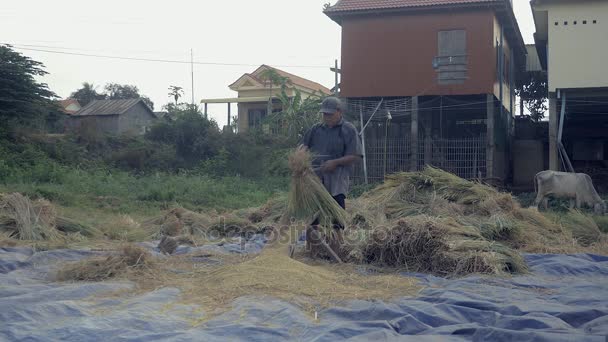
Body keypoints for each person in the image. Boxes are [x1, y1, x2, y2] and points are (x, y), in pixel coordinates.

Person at [301, 96, 363, 256]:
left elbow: (356, 156)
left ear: (339, 112)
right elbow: (303, 147)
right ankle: (311, 254)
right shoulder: (315, 130)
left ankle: (337, 254)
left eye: (330, 114)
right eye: (324, 114)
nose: (326, 117)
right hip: (315, 181)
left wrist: (335, 163)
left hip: (337, 181)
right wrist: (299, 159)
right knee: (312, 219)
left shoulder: (348, 130)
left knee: (336, 219)